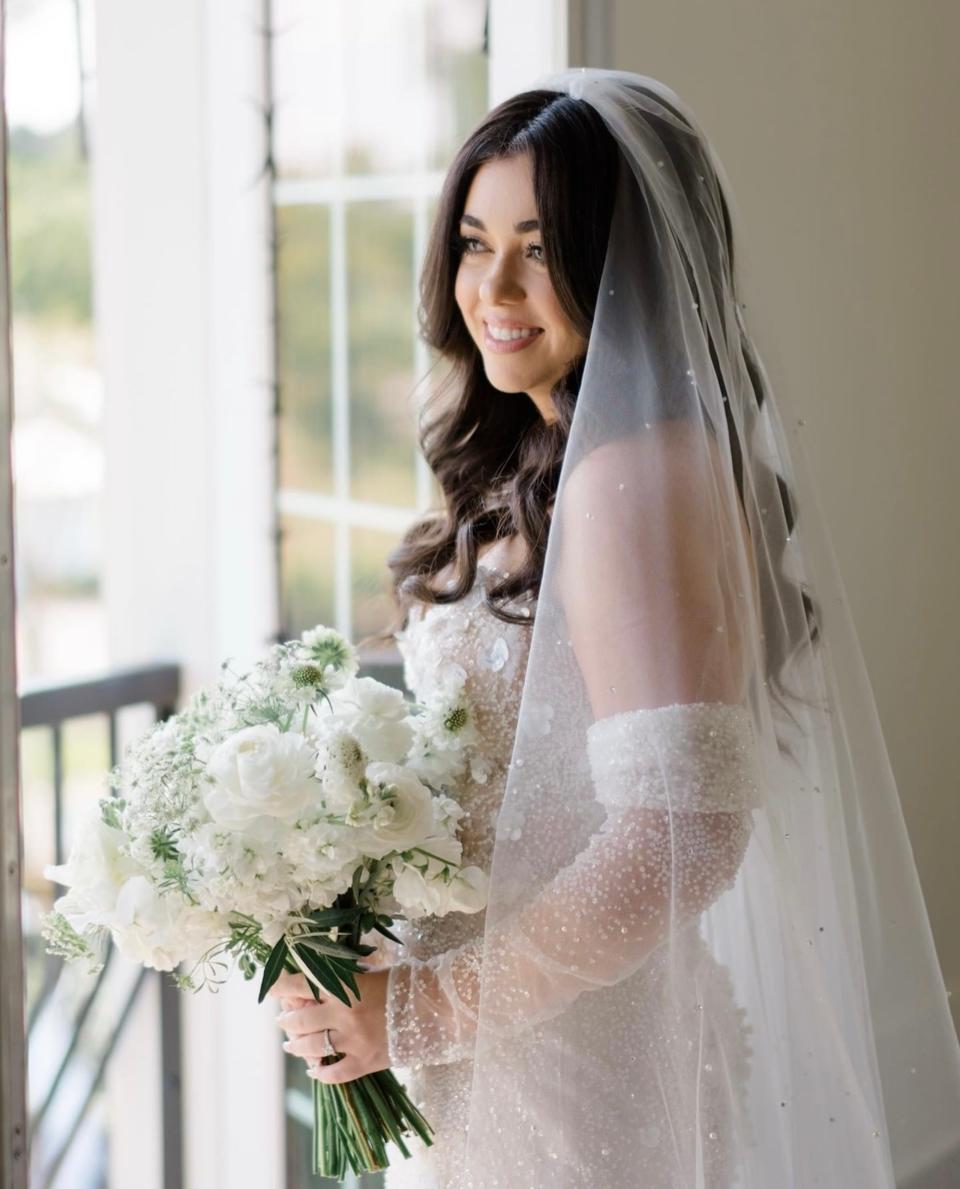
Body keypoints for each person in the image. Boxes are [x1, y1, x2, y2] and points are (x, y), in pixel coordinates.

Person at [271, 68, 960, 1187]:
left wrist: (422, 1009)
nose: (493, 286)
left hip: (561, 1081)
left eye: (541, 249)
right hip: (519, 1043)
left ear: (624, 265)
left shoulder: (631, 477)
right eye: (474, 241)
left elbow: (679, 842)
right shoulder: (554, 455)